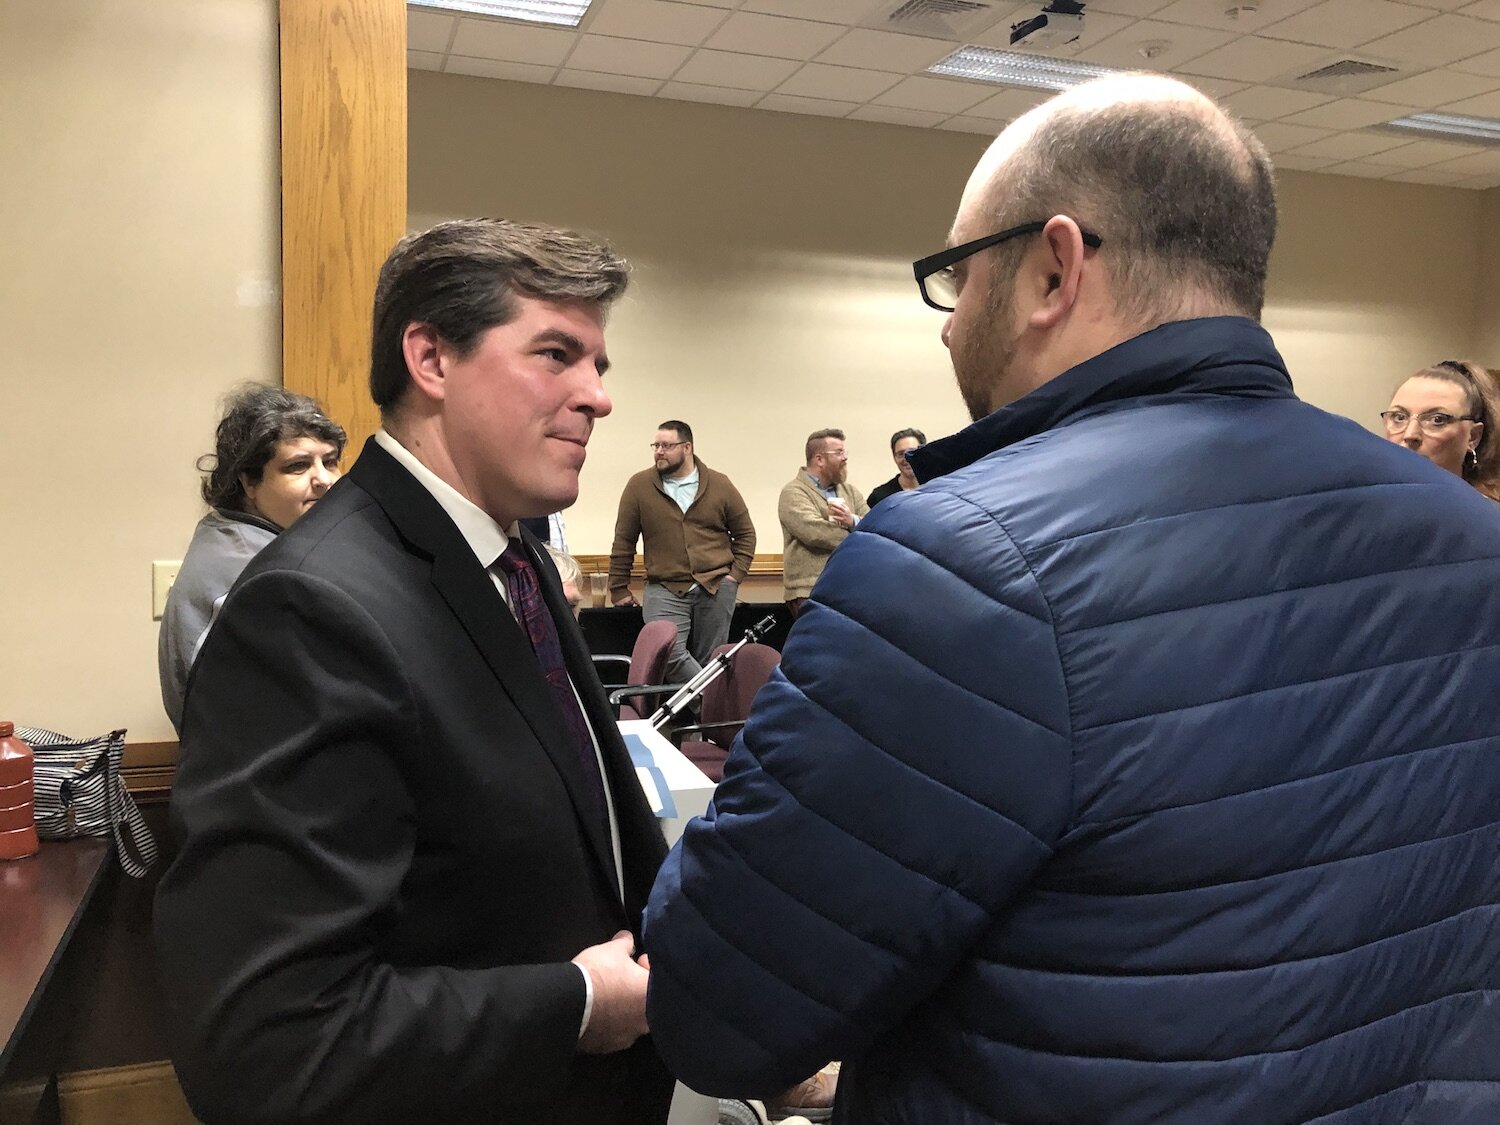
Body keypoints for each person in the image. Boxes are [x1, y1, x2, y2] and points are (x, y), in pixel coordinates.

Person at [643, 75, 1500, 1124]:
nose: (950, 329)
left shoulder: (961, 563)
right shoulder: (1475, 541)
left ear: (1055, 265)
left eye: (957, 280)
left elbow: (723, 1005)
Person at [156, 219, 675, 1125]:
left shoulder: (508, 560)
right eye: (557, 354)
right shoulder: (309, 613)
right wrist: (577, 1003)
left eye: (600, 365)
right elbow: (268, 1044)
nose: (596, 396)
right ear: (430, 359)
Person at [157, 384, 345, 734]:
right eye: (298, 466)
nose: (325, 480)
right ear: (249, 483)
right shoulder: (260, 575)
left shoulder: (225, 534)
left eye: (330, 461)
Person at [609, 421, 756, 681]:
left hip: (715, 585)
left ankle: (699, 719)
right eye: (656, 445)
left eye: (667, 445)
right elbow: (624, 541)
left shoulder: (719, 484)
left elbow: (745, 534)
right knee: (666, 654)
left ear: (687, 447)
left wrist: (734, 577)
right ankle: (712, 709)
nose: (659, 451)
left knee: (711, 660)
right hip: (663, 586)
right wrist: (618, 587)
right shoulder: (639, 486)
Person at [777, 428, 867, 618]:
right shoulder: (794, 492)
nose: (845, 458)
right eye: (839, 453)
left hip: (850, 585)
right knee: (820, 647)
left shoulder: (850, 491)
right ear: (819, 459)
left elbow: (873, 524)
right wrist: (859, 533)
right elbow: (815, 533)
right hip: (810, 589)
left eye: (845, 452)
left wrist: (852, 520)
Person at [1383, 359, 1500, 499]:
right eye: (1399, 417)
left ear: (1473, 437)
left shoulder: (1487, 516)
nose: (1410, 434)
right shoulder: (1366, 506)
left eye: (1437, 419)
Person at [865, 427, 926, 508]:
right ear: (894, 457)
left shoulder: (939, 490)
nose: (906, 458)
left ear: (923, 453)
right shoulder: (880, 497)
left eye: (912, 452)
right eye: (901, 454)